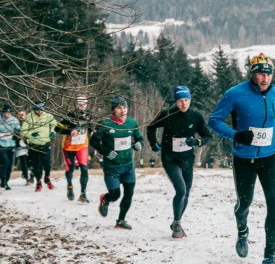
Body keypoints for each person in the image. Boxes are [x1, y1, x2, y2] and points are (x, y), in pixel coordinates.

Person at [208, 53, 275, 264]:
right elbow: (214, 121)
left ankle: (270, 257)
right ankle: (242, 229)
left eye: (268, 74)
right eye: (261, 74)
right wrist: (235, 135)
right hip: (244, 159)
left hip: (270, 157)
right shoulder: (235, 93)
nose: (265, 78)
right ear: (252, 74)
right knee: (245, 203)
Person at [147, 85, 212, 238]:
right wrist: (153, 143)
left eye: (186, 100)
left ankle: (177, 221)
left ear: (190, 100)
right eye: (180, 101)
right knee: (181, 190)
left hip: (187, 159)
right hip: (170, 158)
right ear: (176, 101)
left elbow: (208, 136)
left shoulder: (196, 116)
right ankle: (177, 224)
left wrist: (197, 142)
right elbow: (150, 127)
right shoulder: (167, 114)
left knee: (186, 194)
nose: (183, 104)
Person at [91, 96, 143, 230]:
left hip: (128, 166)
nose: (122, 110)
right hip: (112, 167)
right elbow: (93, 141)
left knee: (129, 193)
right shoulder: (105, 124)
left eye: (125, 107)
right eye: (119, 108)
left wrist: (139, 144)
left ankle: (121, 220)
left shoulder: (132, 123)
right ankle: (106, 199)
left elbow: (139, 138)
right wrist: (106, 151)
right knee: (116, 195)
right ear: (113, 110)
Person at [58, 95, 93, 202]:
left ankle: (83, 194)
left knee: (84, 168)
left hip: (82, 145)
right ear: (76, 104)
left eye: (84, 104)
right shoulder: (69, 115)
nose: (82, 106)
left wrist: (92, 131)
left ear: (87, 104)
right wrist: (70, 131)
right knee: (70, 168)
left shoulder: (89, 114)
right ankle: (69, 186)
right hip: (68, 146)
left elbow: (90, 126)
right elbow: (57, 128)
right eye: (79, 104)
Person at [21, 102, 57, 192]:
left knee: (47, 163)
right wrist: (31, 134)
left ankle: (47, 177)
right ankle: (38, 182)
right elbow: (23, 131)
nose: (40, 111)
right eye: (37, 110)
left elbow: (54, 124)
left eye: (41, 109)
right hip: (34, 144)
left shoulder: (48, 116)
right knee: (37, 165)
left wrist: (52, 132)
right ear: (34, 109)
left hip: (45, 143)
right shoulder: (29, 117)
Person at [0, 102, 21, 189]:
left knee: (9, 164)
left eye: (8, 113)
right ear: (2, 112)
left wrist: (18, 136)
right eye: (5, 113)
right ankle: (3, 179)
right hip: (0, 144)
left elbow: (19, 130)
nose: (6, 115)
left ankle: (6, 181)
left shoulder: (14, 120)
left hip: (10, 144)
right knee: (5, 162)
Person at [15, 110, 30, 184]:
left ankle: (27, 174)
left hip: (28, 145)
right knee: (23, 162)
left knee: (29, 162)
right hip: (20, 146)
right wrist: (18, 137)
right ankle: (27, 178)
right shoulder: (15, 124)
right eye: (20, 115)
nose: (21, 116)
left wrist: (26, 137)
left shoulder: (29, 123)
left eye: (23, 115)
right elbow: (13, 134)